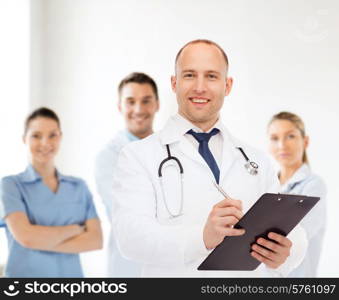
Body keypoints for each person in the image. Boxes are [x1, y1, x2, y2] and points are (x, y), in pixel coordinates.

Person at [111, 39, 307, 277]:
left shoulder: (256, 160)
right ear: (174, 83)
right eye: (190, 75)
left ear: (228, 85)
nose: (200, 88)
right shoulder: (137, 156)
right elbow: (131, 238)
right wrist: (202, 237)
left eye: (212, 76)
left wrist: (287, 253)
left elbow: (293, 231)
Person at [0, 107, 103, 277]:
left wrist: (39, 240)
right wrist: (75, 230)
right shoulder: (11, 185)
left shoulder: (78, 187)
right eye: (36, 135)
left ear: (60, 137)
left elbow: (95, 240)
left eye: (52, 135)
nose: (45, 143)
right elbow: (27, 237)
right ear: (24, 139)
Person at [95, 72, 159, 277]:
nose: (138, 109)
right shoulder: (108, 157)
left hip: (169, 266)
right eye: (130, 101)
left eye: (146, 101)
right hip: (128, 269)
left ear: (157, 104)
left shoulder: (173, 152)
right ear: (120, 106)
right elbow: (126, 213)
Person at [267, 111, 326, 277]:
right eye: (274, 138)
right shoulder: (267, 185)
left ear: (305, 141)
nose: (282, 145)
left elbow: (299, 237)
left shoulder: (313, 186)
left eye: (290, 136)